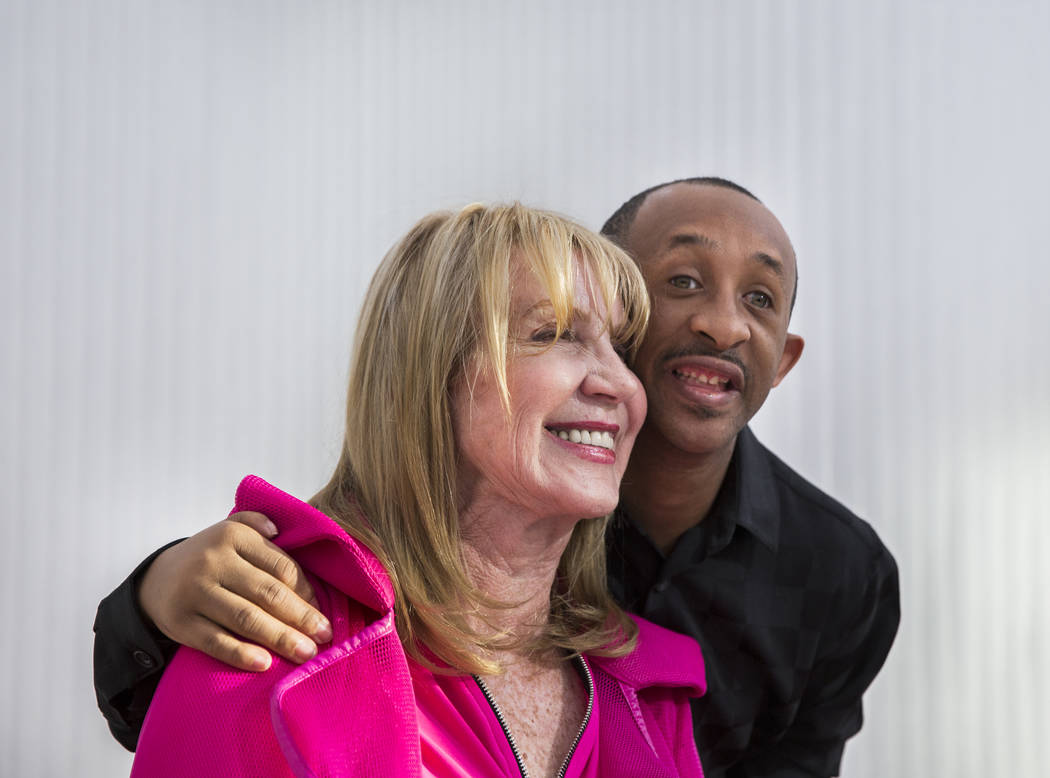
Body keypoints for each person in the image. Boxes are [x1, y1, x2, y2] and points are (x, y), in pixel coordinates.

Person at [95, 179, 899, 777]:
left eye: (759, 298)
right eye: (555, 333)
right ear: (431, 373)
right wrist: (153, 594)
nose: (722, 323)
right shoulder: (297, 644)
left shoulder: (833, 579)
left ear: (786, 359)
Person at [125, 203, 707, 777]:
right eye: (553, 333)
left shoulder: (652, 695)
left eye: (622, 348)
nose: (620, 383)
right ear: (433, 373)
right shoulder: (270, 642)